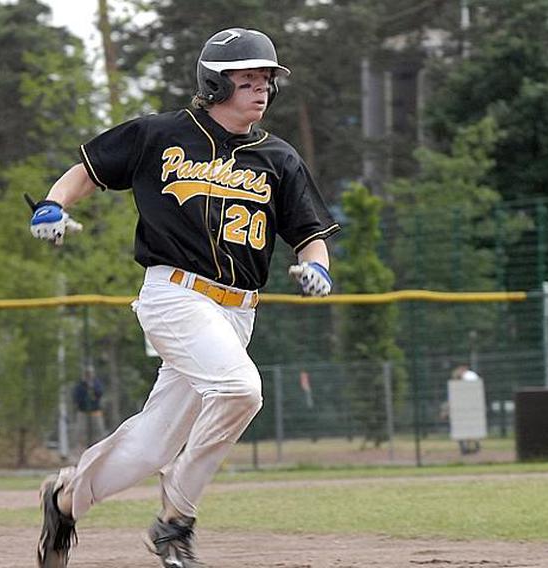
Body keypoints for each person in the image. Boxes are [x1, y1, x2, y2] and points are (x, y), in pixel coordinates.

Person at [28, 27, 339, 568]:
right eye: (247, 80)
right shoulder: (161, 134)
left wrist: (319, 270)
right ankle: (176, 523)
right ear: (216, 84)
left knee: (151, 446)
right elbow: (88, 171)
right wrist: (52, 205)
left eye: (266, 80)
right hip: (174, 295)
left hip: (238, 312)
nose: (261, 90)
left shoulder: (279, 158)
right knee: (242, 389)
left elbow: (310, 235)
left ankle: (64, 500)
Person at [72, 365, 107, 449]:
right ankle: (82, 449)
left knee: (98, 432)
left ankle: (98, 448)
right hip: (83, 412)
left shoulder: (96, 383)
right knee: (81, 433)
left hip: (95, 411)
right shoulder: (80, 385)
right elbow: (76, 397)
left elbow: (100, 393)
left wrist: (92, 387)